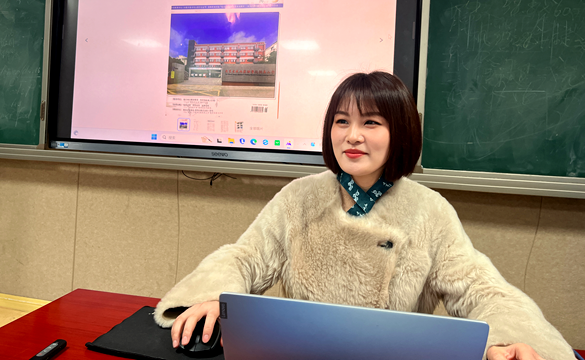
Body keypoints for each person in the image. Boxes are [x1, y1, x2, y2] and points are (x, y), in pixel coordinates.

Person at [154, 71, 574, 360]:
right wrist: (215, 295)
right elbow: (245, 257)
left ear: (400, 132)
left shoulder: (429, 210)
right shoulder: (299, 196)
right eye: (342, 121)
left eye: (370, 122)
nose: (352, 136)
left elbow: (483, 290)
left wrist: (509, 341)